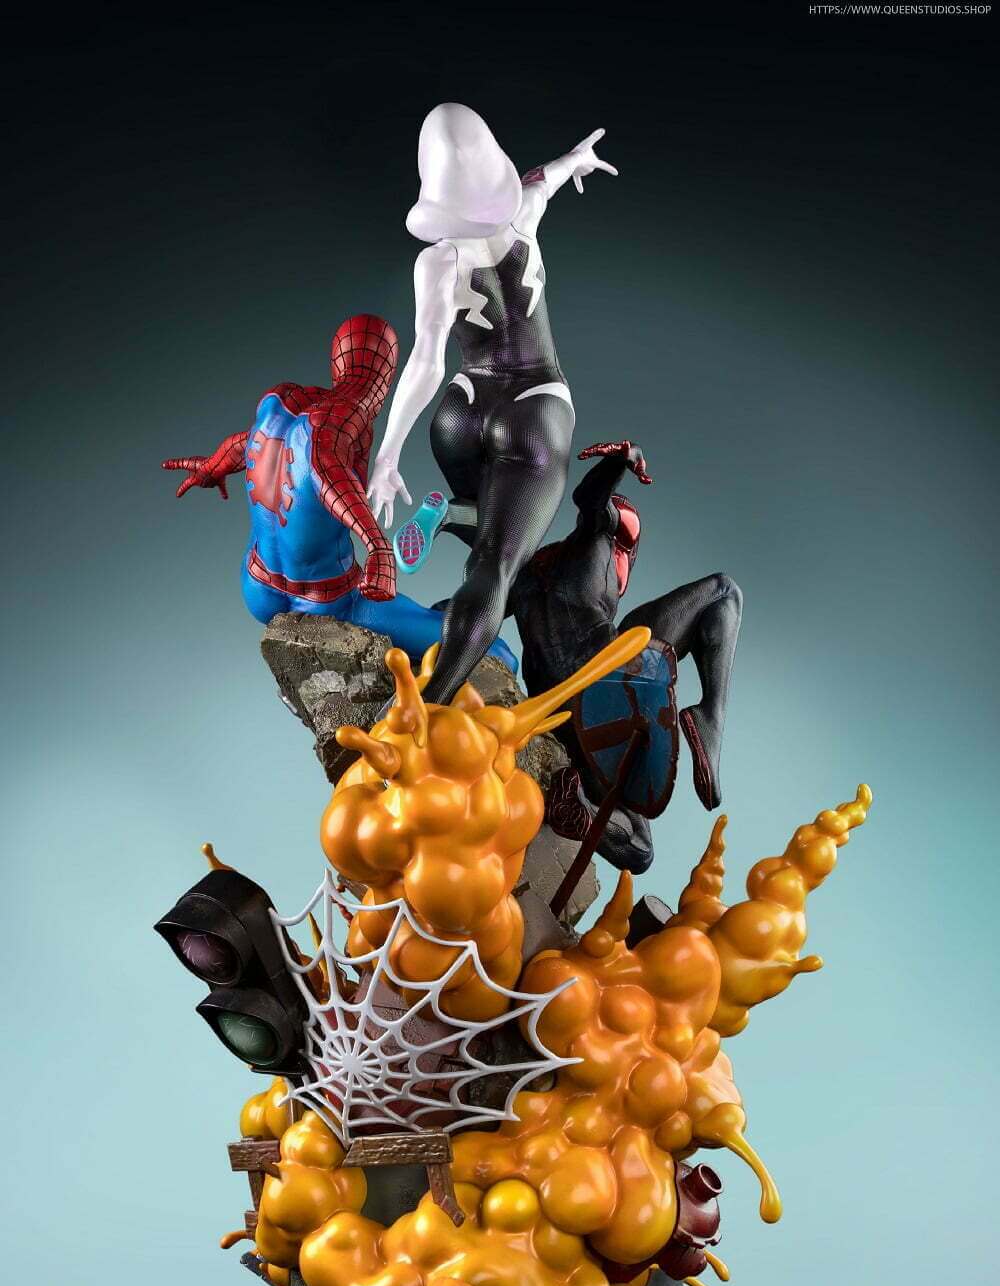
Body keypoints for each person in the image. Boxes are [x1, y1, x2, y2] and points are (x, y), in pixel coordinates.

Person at [366, 103, 617, 703]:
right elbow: (544, 181)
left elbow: (427, 362)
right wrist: (576, 159)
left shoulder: (437, 261)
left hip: (462, 411)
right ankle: (428, 710)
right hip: (534, 406)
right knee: (496, 566)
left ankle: (457, 519)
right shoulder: (522, 214)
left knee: (493, 544)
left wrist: (388, 454)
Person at [442, 440, 743, 872]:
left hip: (562, 721)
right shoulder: (596, 541)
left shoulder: (520, 582)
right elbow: (590, 500)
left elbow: (469, 617)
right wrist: (619, 462)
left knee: (640, 848)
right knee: (724, 592)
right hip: (603, 671)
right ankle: (710, 716)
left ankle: (580, 811)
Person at [161, 312, 516, 670]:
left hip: (256, 586)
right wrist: (377, 546)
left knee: (420, 629)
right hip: (328, 601)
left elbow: (250, 442)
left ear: (337, 363)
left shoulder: (282, 402)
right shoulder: (347, 415)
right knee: (497, 653)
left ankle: (412, 643)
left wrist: (211, 468)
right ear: (387, 375)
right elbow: (325, 470)